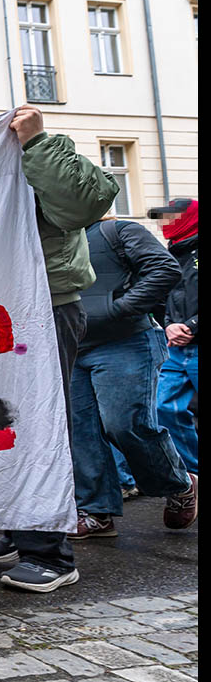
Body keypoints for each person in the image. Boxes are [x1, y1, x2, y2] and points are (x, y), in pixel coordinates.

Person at [0, 106, 120, 592]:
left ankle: (50, 553)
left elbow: (83, 204)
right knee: (1, 423)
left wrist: (36, 142)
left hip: (45, 307)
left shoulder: (42, 159)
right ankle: (21, 529)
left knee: (35, 426)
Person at [68, 216, 193, 538]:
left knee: (125, 424)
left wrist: (117, 309)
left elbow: (164, 270)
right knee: (81, 433)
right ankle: (96, 511)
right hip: (72, 347)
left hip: (125, 341)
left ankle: (179, 485)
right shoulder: (44, 237)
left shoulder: (118, 230)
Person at [151, 198, 199, 522]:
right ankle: (194, 475)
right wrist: (168, 324)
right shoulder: (168, 254)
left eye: (172, 217)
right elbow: (156, 297)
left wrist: (193, 327)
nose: (165, 223)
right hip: (175, 349)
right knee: (161, 408)